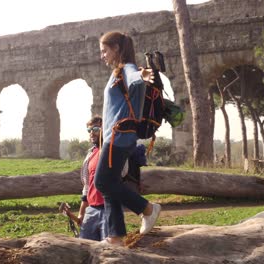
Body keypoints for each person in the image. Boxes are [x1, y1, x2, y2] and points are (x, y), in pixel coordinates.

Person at [94, 31, 161, 246]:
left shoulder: (126, 69)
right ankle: (116, 237)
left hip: (119, 138)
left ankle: (148, 209)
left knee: (102, 181)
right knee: (110, 184)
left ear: (116, 49)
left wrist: (140, 78)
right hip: (115, 138)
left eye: (105, 50)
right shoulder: (118, 72)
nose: (102, 55)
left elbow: (136, 80)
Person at [77, 116, 107, 241]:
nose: (91, 133)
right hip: (91, 209)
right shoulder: (90, 154)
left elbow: (122, 173)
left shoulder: (112, 150)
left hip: (109, 209)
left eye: (95, 129)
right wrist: (81, 213)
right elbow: (87, 187)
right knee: (84, 247)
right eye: (89, 130)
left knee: (110, 251)